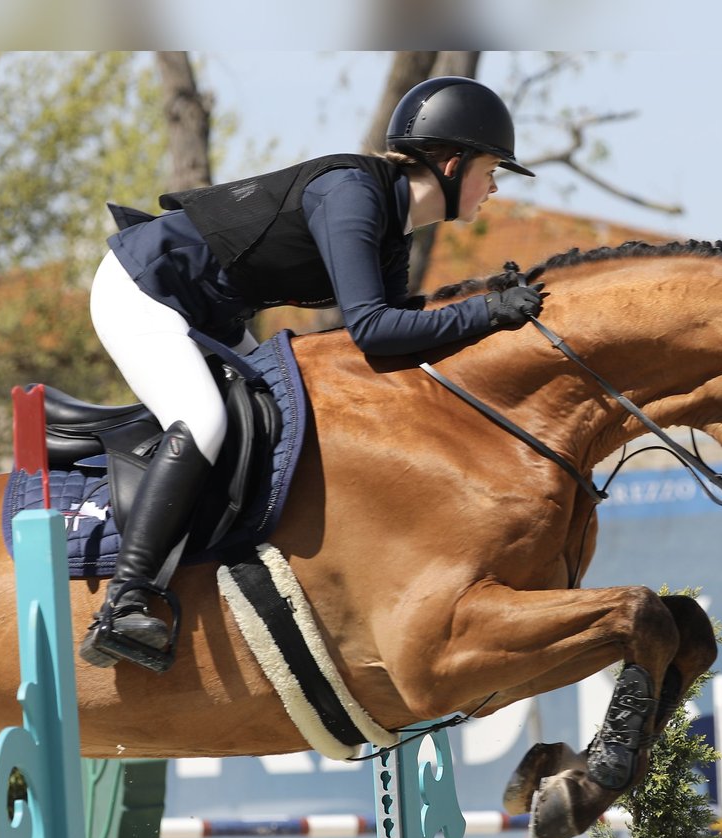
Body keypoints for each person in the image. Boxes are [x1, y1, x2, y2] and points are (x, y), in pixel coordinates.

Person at [80, 75, 545, 670]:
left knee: (278, 424)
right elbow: (373, 331)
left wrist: (484, 300)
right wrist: (485, 313)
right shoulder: (352, 193)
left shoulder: (392, 227)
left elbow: (399, 323)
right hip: (142, 289)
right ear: (453, 165)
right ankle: (123, 601)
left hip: (212, 312)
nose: (495, 187)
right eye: (492, 170)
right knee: (202, 419)